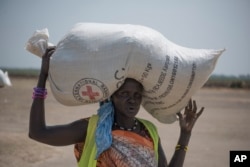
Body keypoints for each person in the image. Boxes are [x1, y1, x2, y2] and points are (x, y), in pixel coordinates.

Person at [29, 47, 204, 167]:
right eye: (125, 94)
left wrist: (185, 135)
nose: (132, 100)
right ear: (112, 97)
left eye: (137, 95)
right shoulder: (92, 128)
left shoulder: (149, 130)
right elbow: (38, 133)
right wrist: (43, 76)